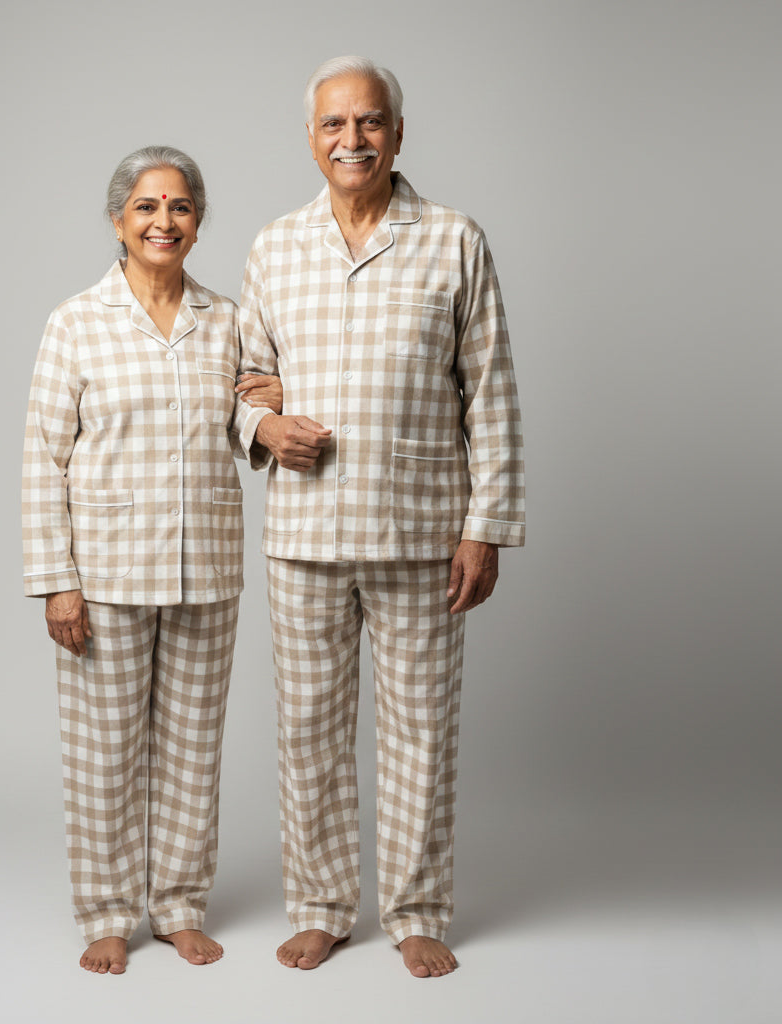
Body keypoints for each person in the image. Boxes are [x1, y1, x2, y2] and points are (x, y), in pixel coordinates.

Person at [236, 56, 525, 978]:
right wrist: (263, 426)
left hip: (421, 533)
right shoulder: (274, 246)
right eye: (334, 124)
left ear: (398, 135)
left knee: (421, 732)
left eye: (369, 122)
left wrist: (485, 526)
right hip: (305, 536)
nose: (351, 139)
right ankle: (323, 906)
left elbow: (491, 393)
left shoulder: (454, 239)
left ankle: (416, 909)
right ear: (310, 139)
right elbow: (242, 382)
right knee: (308, 732)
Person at [22, 146, 281, 974]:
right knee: (104, 753)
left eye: (179, 206)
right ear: (117, 221)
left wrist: (270, 405)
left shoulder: (229, 320)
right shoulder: (75, 322)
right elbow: (43, 460)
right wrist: (57, 583)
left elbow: (248, 423)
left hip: (206, 567)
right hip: (105, 576)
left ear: (197, 222)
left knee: (193, 749)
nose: (163, 221)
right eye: (146, 206)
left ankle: (177, 906)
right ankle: (106, 913)